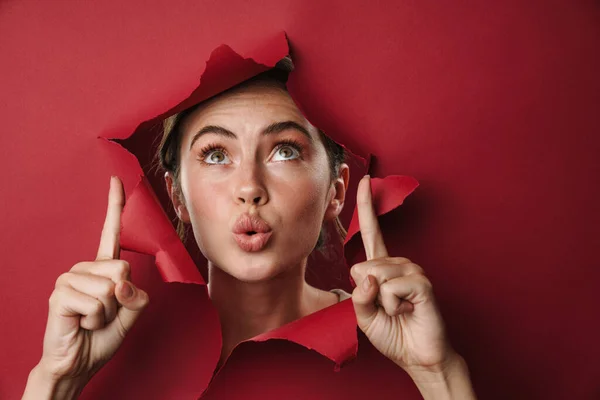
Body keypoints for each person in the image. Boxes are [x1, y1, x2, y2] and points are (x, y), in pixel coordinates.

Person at [22, 58, 477, 399]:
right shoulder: (139, 351)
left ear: (336, 192)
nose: (250, 188)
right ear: (178, 198)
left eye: (284, 150)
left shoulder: (393, 349)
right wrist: (56, 378)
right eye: (216, 155)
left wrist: (438, 372)